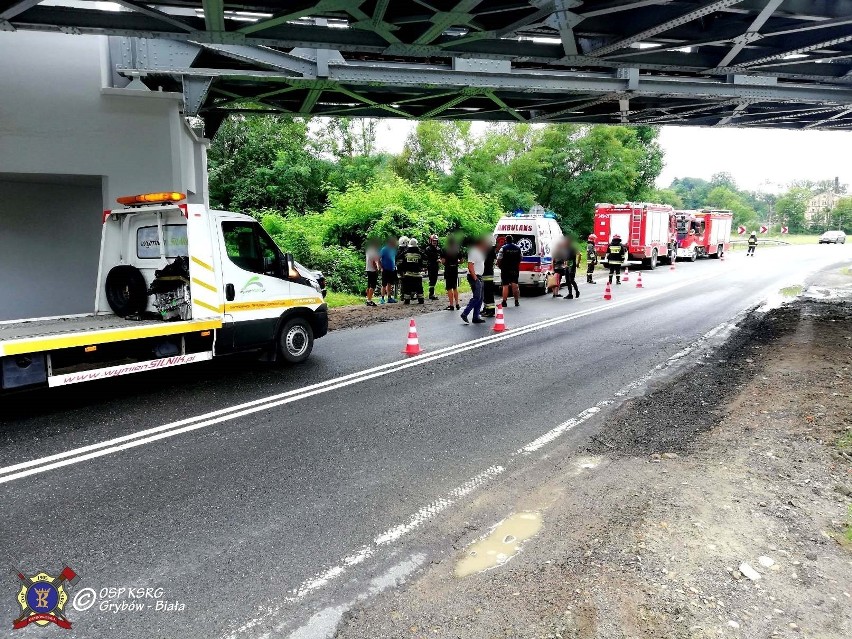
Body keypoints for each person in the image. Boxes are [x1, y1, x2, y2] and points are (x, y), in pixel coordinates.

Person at [460, 236, 488, 324]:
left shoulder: (480, 252)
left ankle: (475, 317)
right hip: (474, 276)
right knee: (477, 297)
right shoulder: (473, 251)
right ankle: (465, 313)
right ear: (480, 243)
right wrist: (475, 278)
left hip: (479, 276)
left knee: (480, 298)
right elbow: (470, 265)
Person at [497, 234, 522, 307]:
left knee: (505, 285)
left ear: (505, 240)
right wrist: (516, 263)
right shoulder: (518, 248)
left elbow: (499, 259)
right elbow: (521, 257)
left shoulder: (503, 248)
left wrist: (500, 266)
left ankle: (504, 302)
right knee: (515, 285)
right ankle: (516, 301)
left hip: (505, 269)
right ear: (512, 240)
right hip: (515, 268)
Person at [400, 238, 425, 305]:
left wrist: (402, 270)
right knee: (419, 288)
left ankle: (407, 300)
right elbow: (425, 260)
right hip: (418, 275)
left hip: (408, 274)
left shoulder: (405, 253)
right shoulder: (420, 253)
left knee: (407, 288)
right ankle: (421, 299)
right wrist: (423, 267)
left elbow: (400, 260)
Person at [442, 237, 462, 311]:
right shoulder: (457, 250)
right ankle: (457, 304)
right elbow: (462, 260)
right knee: (455, 287)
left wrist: (441, 261)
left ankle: (451, 305)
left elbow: (443, 261)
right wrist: (457, 262)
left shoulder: (445, 250)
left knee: (449, 288)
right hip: (455, 269)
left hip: (448, 269)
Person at [481, 236, 497, 317]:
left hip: (487, 275)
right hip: (487, 274)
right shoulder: (491, 251)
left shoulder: (489, 252)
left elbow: (484, 262)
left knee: (488, 294)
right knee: (486, 294)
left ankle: (490, 311)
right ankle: (486, 309)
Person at [379, 237, 398, 304]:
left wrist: (395, 266)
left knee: (389, 284)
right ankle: (382, 298)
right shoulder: (384, 249)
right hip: (385, 269)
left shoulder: (393, 250)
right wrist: (381, 267)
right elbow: (378, 258)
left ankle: (389, 297)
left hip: (391, 269)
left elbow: (393, 258)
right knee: (384, 284)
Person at [424, 234, 442, 300]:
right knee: (432, 280)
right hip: (430, 266)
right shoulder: (428, 249)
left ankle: (432, 293)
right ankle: (431, 294)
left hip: (436, 266)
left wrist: (440, 259)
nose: (435, 242)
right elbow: (428, 257)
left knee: (434, 280)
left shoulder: (438, 249)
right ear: (431, 241)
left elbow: (440, 256)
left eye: (436, 241)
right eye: (433, 241)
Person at [364, 238, 381, 307]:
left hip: (368, 269)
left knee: (369, 285)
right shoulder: (374, 251)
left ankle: (368, 299)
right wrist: (377, 269)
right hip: (372, 270)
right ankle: (369, 300)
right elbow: (374, 261)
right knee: (372, 286)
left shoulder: (368, 250)